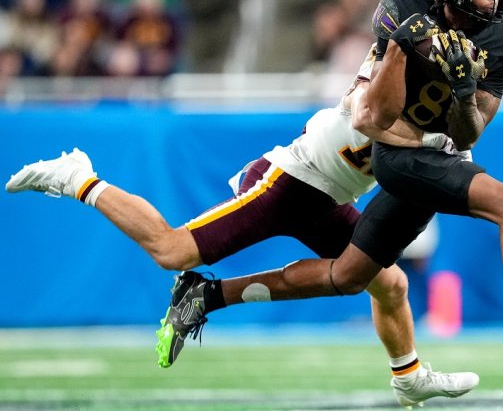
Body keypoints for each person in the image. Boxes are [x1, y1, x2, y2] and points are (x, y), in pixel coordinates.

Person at [132, 0, 503, 397]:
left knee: (351, 277)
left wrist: (463, 88)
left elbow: (470, 131)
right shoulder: (403, 14)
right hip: (391, 156)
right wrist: (407, 51)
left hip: (426, 156)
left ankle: (210, 296)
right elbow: (371, 117)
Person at [5, 46, 478, 408]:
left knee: (389, 283)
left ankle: (407, 374)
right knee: (172, 251)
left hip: (329, 198)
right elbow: (369, 109)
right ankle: (77, 177)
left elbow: (441, 165)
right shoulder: (382, 86)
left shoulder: (444, 128)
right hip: (287, 182)